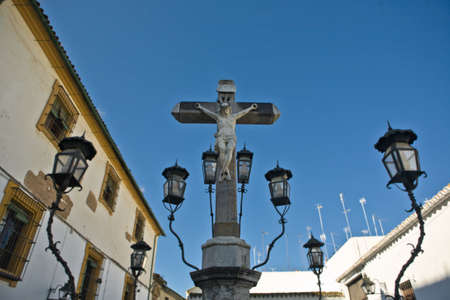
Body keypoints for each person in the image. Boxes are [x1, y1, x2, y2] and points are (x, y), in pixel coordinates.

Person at [195, 102, 257, 181]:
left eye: (227, 109)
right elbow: (209, 113)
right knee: (222, 150)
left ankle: (222, 171)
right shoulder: (218, 117)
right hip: (221, 136)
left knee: (229, 150)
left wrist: (251, 108)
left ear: (229, 109)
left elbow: (243, 112)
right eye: (224, 109)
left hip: (231, 136)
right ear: (221, 110)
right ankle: (225, 172)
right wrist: (201, 108)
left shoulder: (233, 117)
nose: (225, 111)